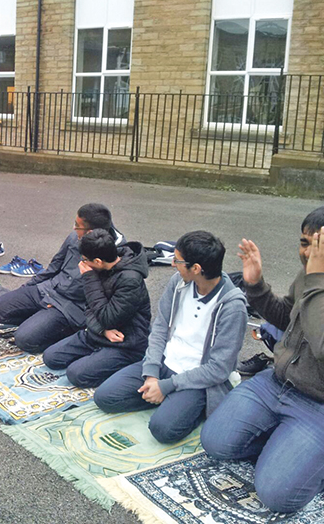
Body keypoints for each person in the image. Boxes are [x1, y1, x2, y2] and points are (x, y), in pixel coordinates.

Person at [200, 207, 324, 514]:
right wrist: (256, 286)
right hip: (275, 383)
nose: (308, 252)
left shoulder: (315, 276)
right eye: (305, 242)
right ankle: (287, 445)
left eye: (318, 245)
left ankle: (303, 457)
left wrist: (317, 279)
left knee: (278, 495)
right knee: (215, 443)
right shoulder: (310, 274)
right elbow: (287, 317)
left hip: (317, 406)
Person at [93, 231, 248, 444]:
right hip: (165, 363)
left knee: (162, 430)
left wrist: (167, 387)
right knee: (105, 397)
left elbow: (219, 369)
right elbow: (159, 328)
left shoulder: (233, 306)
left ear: (196, 269)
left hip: (197, 379)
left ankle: (185, 404)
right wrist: (151, 374)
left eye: (178, 260)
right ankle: (164, 399)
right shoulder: (178, 283)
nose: (173, 264)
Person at [0, 203, 125, 354]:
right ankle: (41, 321)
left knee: (24, 340)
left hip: (70, 307)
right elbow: (54, 267)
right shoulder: (75, 237)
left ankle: (61, 330)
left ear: (90, 232)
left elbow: (104, 300)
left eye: (77, 226)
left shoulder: (113, 255)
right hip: (49, 289)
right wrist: (26, 289)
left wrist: (98, 328)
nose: (74, 228)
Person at [42, 229, 151, 387]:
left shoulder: (130, 280)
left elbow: (109, 318)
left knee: (76, 374)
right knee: (51, 357)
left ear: (99, 261)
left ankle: (123, 364)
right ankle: (98, 358)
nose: (81, 263)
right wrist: (101, 330)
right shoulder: (98, 268)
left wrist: (90, 280)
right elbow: (88, 307)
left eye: (85, 259)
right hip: (98, 332)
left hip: (125, 342)